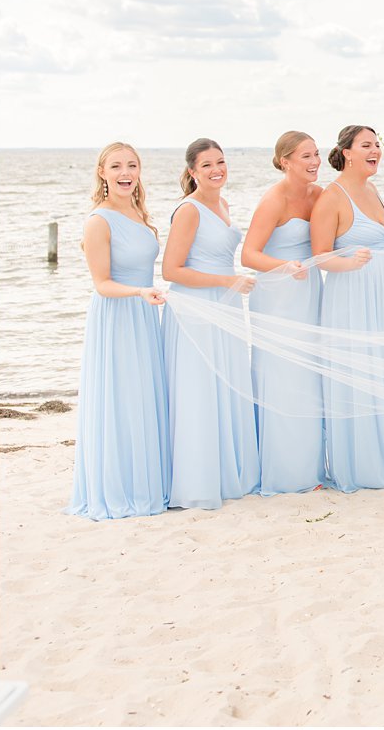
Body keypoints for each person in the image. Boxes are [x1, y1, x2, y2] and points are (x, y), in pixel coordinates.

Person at [67, 142, 171, 520]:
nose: (125, 172)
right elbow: (102, 283)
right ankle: (121, 486)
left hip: (145, 315)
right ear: (102, 172)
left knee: (144, 395)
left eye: (131, 165)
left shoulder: (141, 215)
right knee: (122, 397)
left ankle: (150, 481)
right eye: (116, 166)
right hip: (117, 316)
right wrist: (140, 291)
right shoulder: (99, 220)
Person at [310, 123, 384, 492]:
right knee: (360, 372)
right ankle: (364, 464)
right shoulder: (332, 197)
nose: (375, 151)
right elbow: (320, 257)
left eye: (377, 145)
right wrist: (349, 262)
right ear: (347, 153)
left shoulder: (371, 188)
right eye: (366, 145)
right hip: (351, 296)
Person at [160, 138, 261, 509]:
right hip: (196, 309)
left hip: (227, 304)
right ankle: (198, 480)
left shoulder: (222, 203)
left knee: (226, 384)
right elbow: (172, 270)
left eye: (221, 162)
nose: (217, 169)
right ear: (192, 172)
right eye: (206, 165)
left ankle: (227, 471)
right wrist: (225, 281)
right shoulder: (188, 210)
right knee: (200, 391)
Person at [241, 130, 325, 496]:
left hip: (309, 291)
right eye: (305, 156)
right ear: (284, 161)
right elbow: (249, 255)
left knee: (308, 376)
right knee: (283, 378)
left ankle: (310, 467)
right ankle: (286, 472)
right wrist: (285, 267)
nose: (314, 162)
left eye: (316, 154)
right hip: (278, 296)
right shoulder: (273, 200)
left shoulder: (319, 195)